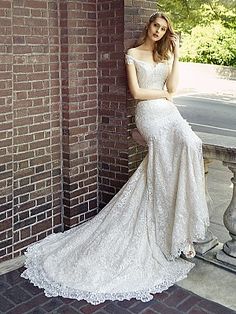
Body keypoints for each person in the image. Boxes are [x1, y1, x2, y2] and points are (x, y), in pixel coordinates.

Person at [21, 12, 210, 305]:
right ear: (148, 26)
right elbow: (136, 92)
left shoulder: (165, 55)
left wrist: (177, 53)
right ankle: (169, 233)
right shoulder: (133, 54)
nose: (159, 31)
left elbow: (173, 90)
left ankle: (179, 225)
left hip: (169, 113)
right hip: (149, 115)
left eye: (164, 29)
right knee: (161, 150)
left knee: (190, 143)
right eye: (155, 26)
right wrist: (159, 95)